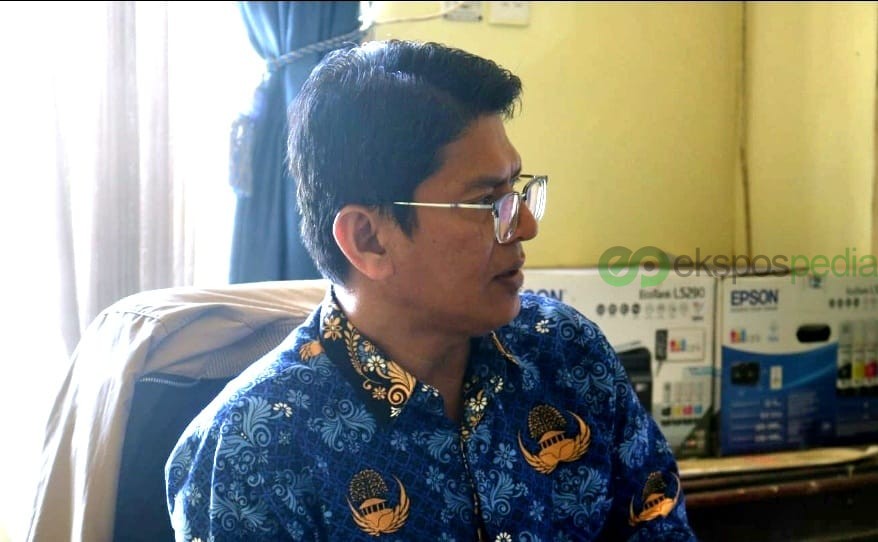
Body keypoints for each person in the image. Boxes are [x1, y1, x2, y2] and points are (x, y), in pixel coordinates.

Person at [165, 39, 697, 541]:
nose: (525, 225)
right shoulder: (251, 451)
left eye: (516, 190)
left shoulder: (566, 353)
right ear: (369, 239)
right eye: (486, 202)